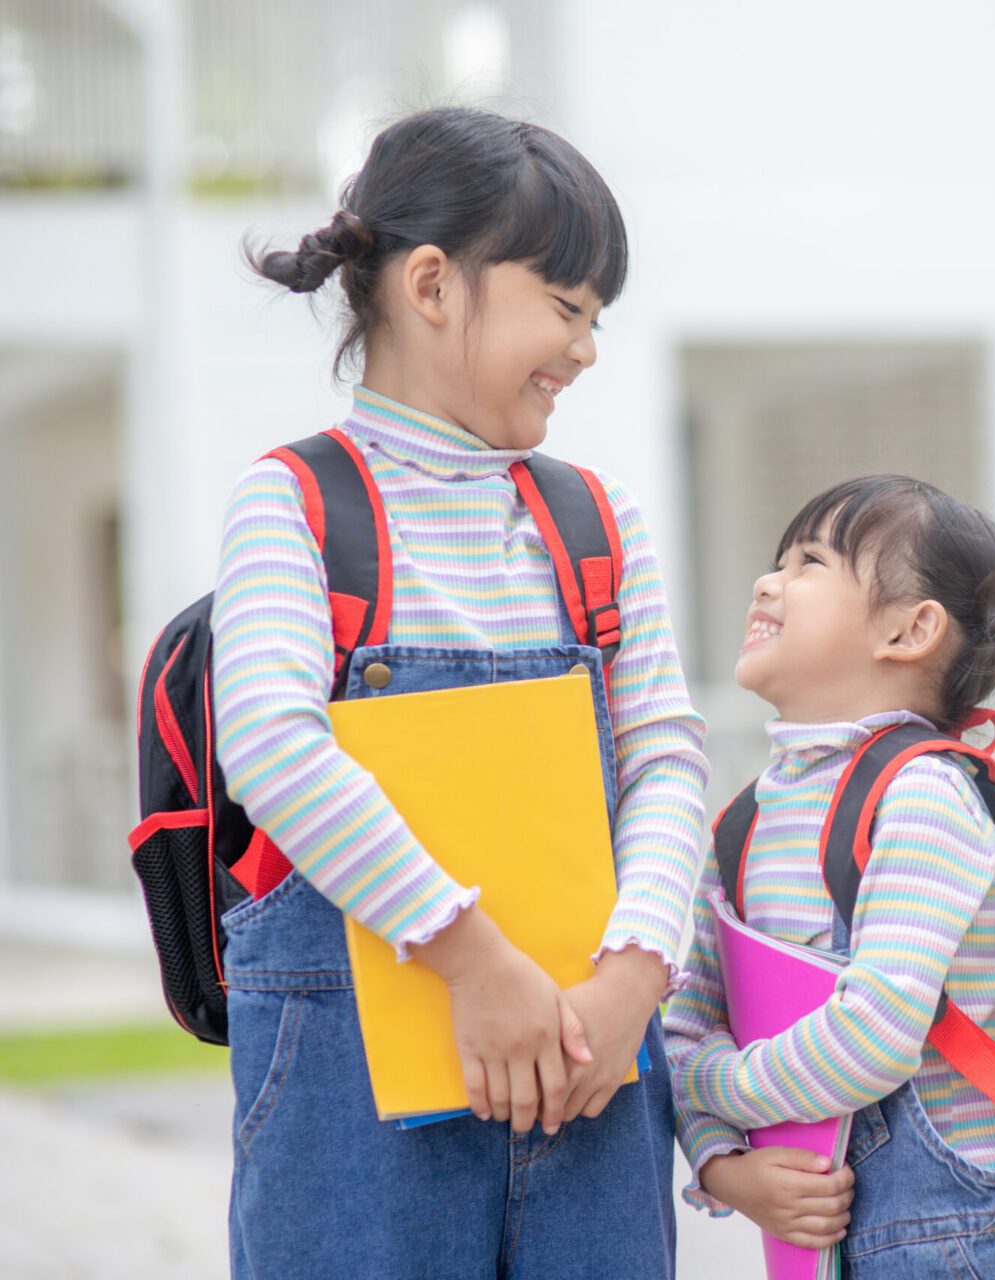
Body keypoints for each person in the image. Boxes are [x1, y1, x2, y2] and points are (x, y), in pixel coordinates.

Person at [211, 105, 704, 1279]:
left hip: (594, 1073)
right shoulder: (292, 505)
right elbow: (275, 750)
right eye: (568, 307)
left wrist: (636, 971)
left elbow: (667, 758)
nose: (586, 347)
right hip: (356, 1101)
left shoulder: (597, 520)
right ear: (433, 284)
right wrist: (474, 960)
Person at [664, 474, 995, 1277]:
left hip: (949, 1231)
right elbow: (686, 1017)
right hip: (826, 1237)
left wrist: (721, 1088)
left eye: (808, 563)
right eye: (778, 561)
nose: (770, 581)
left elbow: (875, 1033)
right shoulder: (746, 817)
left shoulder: (922, 796)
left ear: (909, 629)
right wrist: (725, 1167)